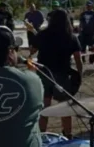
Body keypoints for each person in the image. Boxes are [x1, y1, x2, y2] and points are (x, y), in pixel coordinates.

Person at [30, 9, 83, 138]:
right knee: (65, 107)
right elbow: (78, 59)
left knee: (44, 107)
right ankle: (68, 134)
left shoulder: (43, 34)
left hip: (44, 74)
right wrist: (79, 75)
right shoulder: (71, 37)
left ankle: (42, 135)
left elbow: (32, 51)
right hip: (62, 75)